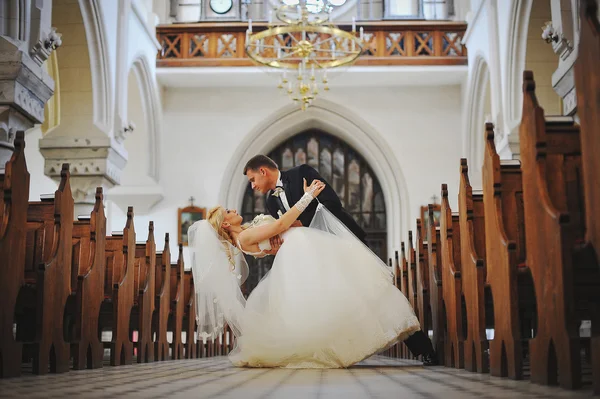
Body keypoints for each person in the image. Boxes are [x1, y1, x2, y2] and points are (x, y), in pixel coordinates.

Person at [189, 178, 435, 368]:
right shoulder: (244, 236)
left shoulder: (245, 233)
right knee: (343, 291)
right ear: (224, 224)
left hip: (303, 250)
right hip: (302, 255)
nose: (233, 210)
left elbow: (274, 239)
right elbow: (280, 225)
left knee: (347, 290)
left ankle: (412, 340)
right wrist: (307, 197)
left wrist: (277, 241)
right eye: (229, 211)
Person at [243, 155, 438, 366]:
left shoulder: (301, 174)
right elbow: (284, 228)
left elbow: (331, 203)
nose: (253, 186)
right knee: (331, 304)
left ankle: (424, 349)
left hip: (340, 242)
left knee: (375, 293)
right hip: (313, 259)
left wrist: (300, 222)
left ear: (263, 171)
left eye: (253, 179)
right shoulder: (272, 202)